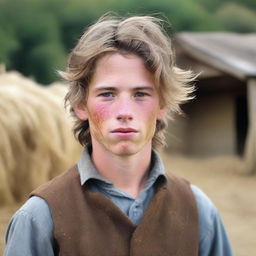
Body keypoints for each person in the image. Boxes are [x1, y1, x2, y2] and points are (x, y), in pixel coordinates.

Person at [4, 14, 233, 256]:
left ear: (162, 104)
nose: (124, 112)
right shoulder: (39, 218)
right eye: (107, 94)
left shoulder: (199, 211)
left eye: (141, 94)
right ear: (81, 105)